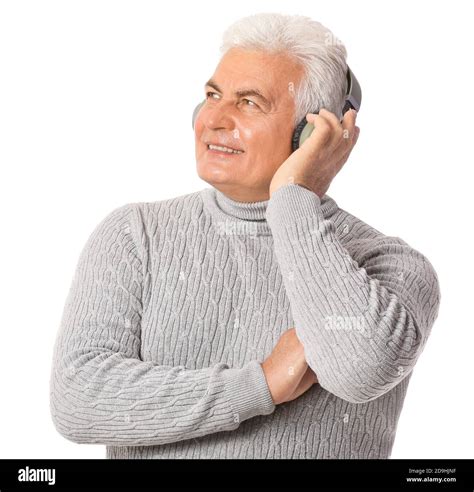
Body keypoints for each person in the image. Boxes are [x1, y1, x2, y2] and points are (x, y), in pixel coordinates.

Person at [50, 12, 440, 459]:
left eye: (250, 102)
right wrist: (260, 383)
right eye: (212, 95)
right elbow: (77, 398)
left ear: (311, 134)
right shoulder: (134, 235)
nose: (213, 119)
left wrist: (294, 198)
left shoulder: (391, 266)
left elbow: (359, 370)